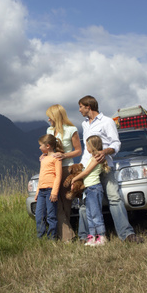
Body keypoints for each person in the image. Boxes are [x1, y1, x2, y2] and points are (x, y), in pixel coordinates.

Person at [78, 95, 144, 243]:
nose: (79, 109)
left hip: (105, 167)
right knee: (84, 202)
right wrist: (82, 167)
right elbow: (85, 149)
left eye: (81, 106)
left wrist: (104, 152)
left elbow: (116, 143)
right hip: (89, 167)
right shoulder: (84, 125)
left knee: (114, 198)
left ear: (89, 107)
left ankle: (126, 234)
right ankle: (84, 236)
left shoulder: (107, 122)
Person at [45, 104, 82, 242]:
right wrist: (44, 155)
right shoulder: (49, 130)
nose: (48, 120)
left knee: (66, 203)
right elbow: (49, 149)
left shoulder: (72, 130)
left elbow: (78, 150)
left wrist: (64, 155)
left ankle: (65, 236)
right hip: (53, 169)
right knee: (55, 203)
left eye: (50, 116)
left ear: (55, 116)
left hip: (67, 168)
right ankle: (68, 236)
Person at [70, 135, 109, 246]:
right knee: (89, 214)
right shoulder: (92, 158)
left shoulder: (96, 158)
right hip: (88, 189)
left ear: (92, 146)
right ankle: (91, 237)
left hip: (94, 188)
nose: (86, 148)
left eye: (87, 145)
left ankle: (101, 236)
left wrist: (74, 179)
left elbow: (86, 172)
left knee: (96, 214)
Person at [35, 134, 63, 239]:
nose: (39, 147)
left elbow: (58, 176)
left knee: (51, 216)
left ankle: (52, 238)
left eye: (40, 145)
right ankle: (40, 237)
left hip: (51, 190)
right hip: (41, 191)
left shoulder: (56, 158)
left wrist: (55, 192)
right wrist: (38, 191)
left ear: (47, 146)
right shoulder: (43, 158)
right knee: (39, 215)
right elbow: (41, 176)